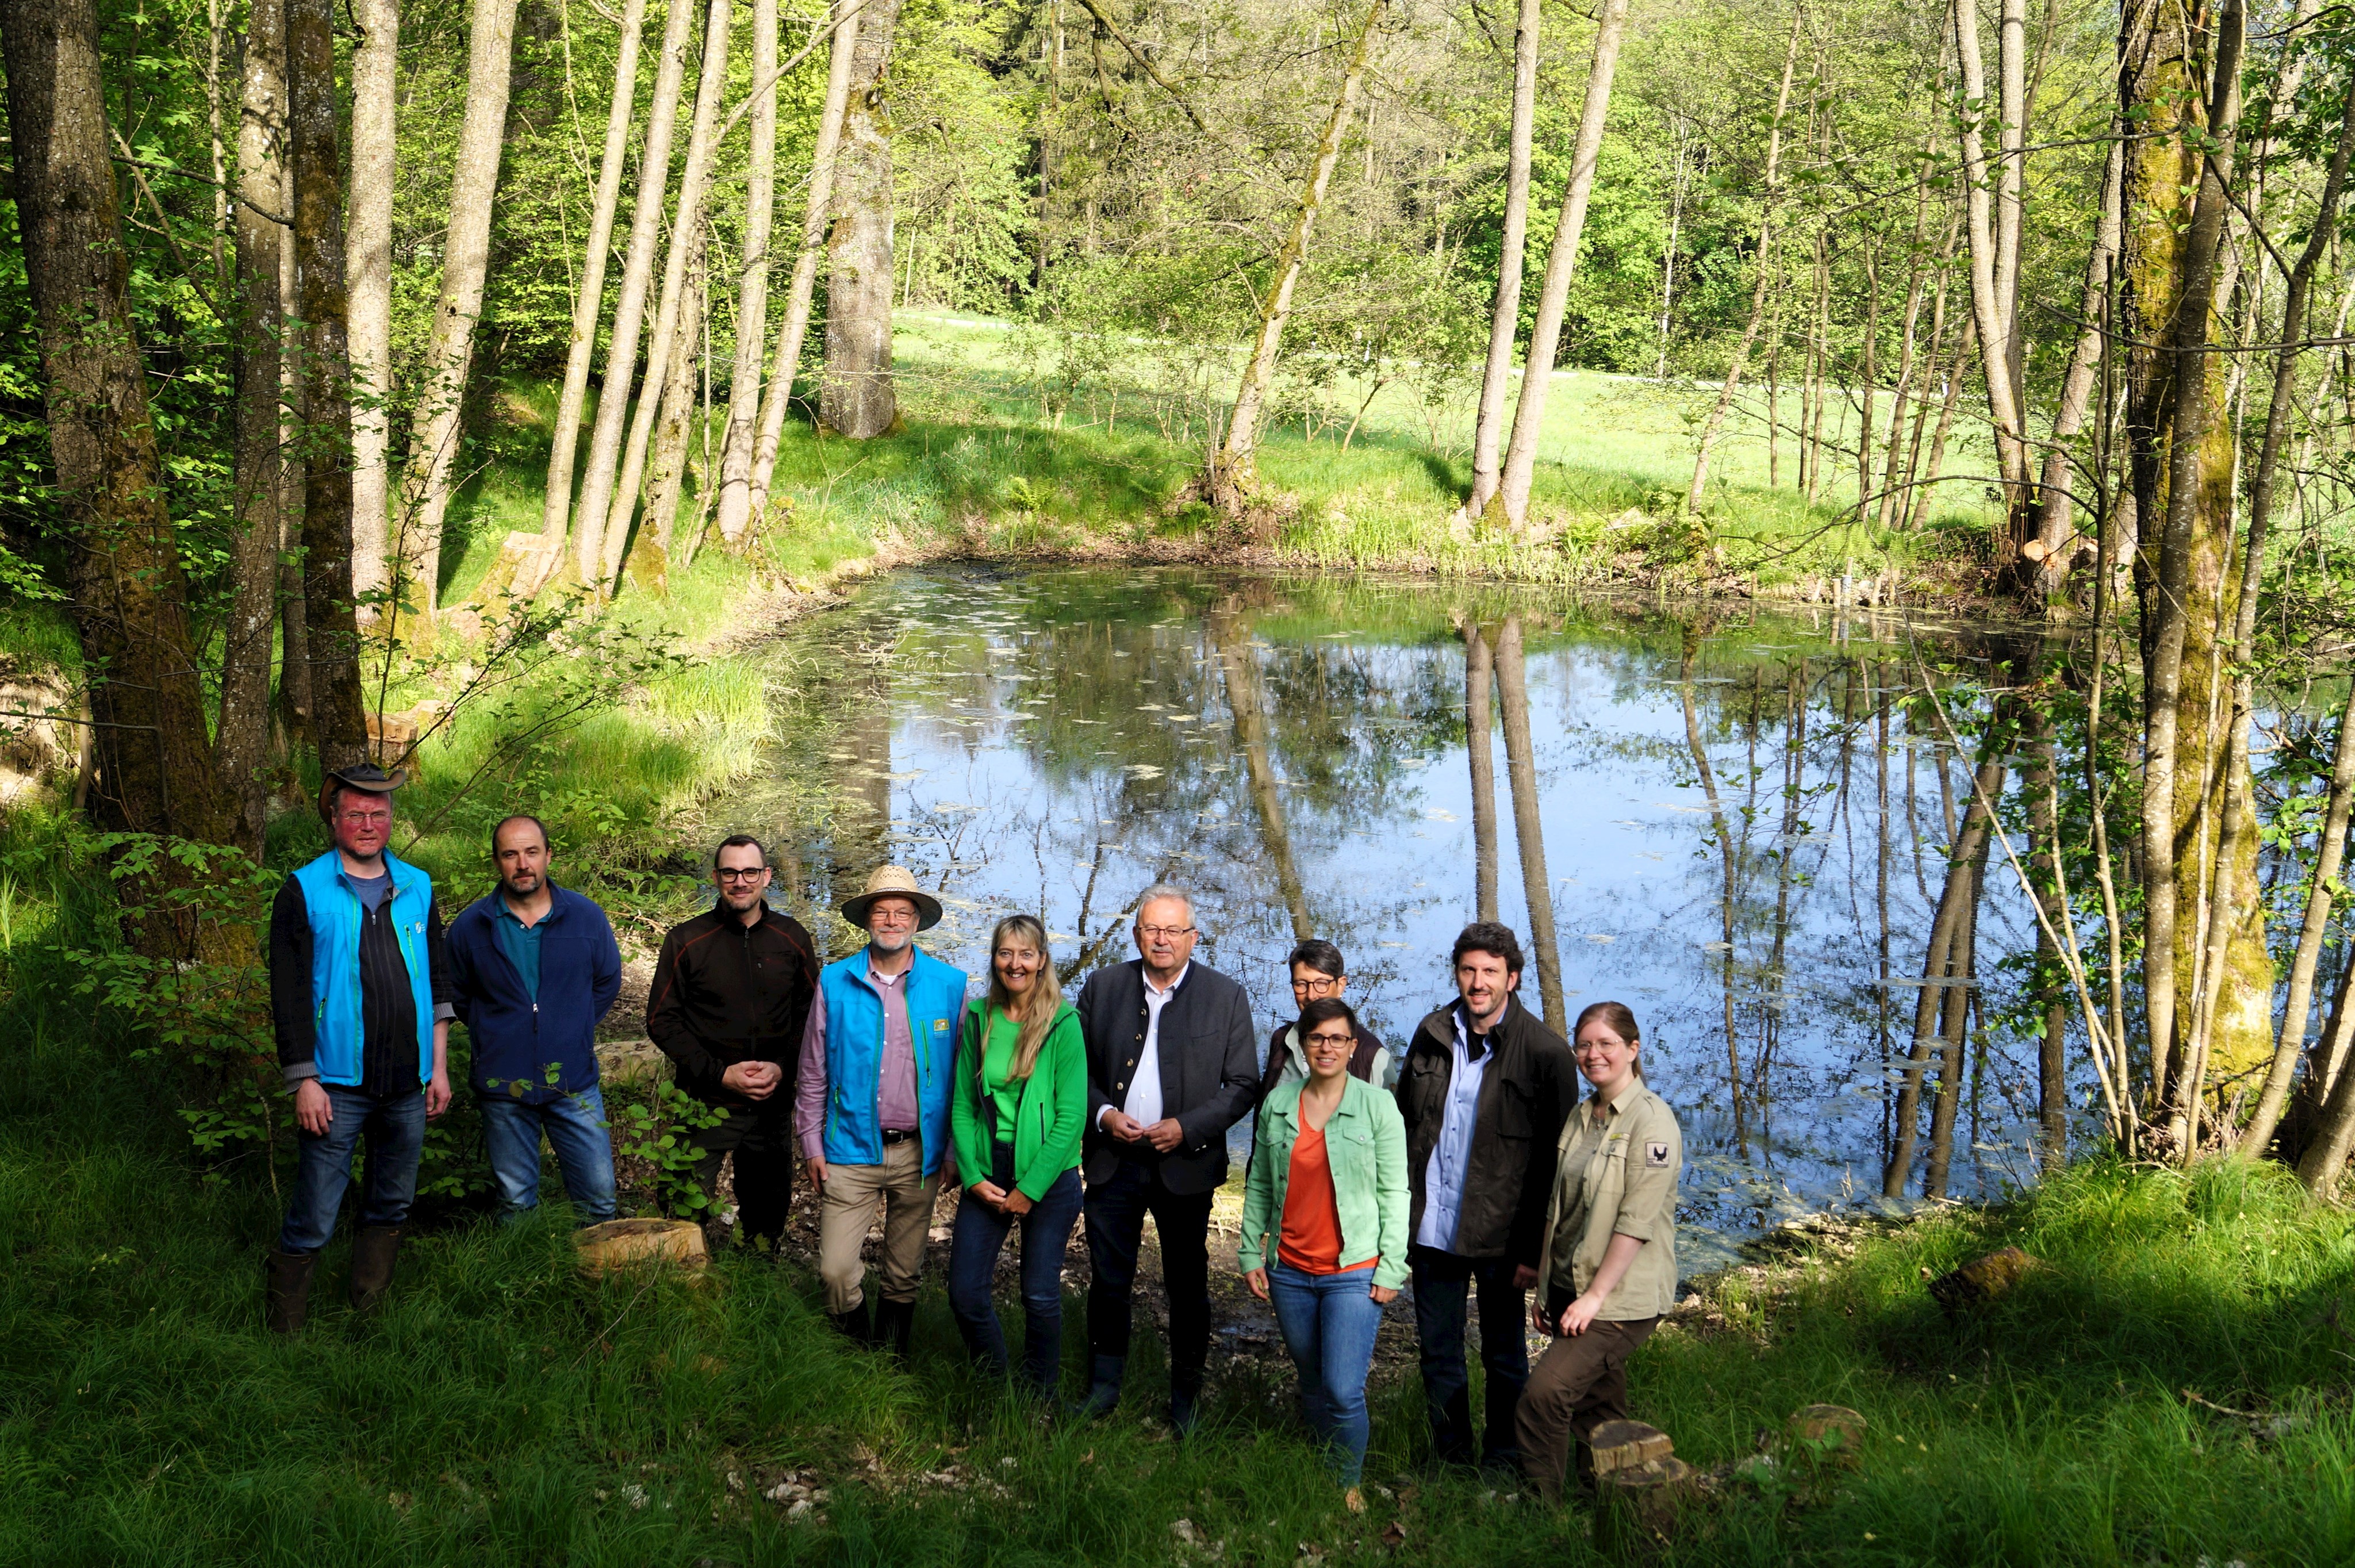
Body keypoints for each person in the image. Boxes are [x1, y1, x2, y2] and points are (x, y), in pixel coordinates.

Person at [264, 762, 455, 1333]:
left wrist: (438, 1070)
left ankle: (368, 1312)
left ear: (391, 819)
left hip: (408, 1084)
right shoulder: (305, 889)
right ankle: (285, 1329)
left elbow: (438, 986)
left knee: (392, 1203)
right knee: (316, 1211)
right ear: (334, 818)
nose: (368, 824)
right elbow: (289, 993)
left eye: (378, 813)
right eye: (355, 814)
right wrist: (304, 1079)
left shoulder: (417, 886)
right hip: (336, 1086)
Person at [1075, 884, 1259, 1433]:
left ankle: (1186, 1395)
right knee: (1109, 1278)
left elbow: (1244, 1083)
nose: (1162, 939)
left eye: (1173, 930)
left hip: (1187, 1165)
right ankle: (1104, 1387)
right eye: (1152, 929)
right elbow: (1070, 1071)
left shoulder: (1225, 996)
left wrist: (1186, 1127)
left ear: (1192, 938)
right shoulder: (1103, 986)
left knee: (1187, 1282)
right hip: (1114, 1159)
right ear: (1137, 935)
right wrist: (1105, 1114)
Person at [1394, 921, 1577, 1470]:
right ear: (1458, 973)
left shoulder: (1546, 1053)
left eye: (1491, 972)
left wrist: (1533, 1251)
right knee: (1438, 1355)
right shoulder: (1431, 1033)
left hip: (1503, 1241)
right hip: (1432, 1232)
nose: (1478, 982)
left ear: (1513, 979)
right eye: (1469, 970)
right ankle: (1450, 1459)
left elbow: (1555, 1164)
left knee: (1505, 1357)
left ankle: (1504, 1460)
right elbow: (1404, 1126)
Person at [1239, 997, 1409, 1509]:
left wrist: (1392, 1266)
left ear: (1353, 1046)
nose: (1327, 1047)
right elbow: (1262, 1186)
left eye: (1338, 1038)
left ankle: (1344, 1484)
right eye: (1317, 1038)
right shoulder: (1279, 1103)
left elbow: (1395, 1192)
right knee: (1311, 1377)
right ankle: (1318, 1463)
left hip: (1353, 1271)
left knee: (1341, 1386)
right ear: (1303, 1044)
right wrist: (1250, 1252)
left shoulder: (1377, 1106)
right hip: (1290, 1269)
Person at [796, 865, 971, 1355]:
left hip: (920, 1153)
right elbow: (812, 1071)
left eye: (902, 912)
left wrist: (956, 1150)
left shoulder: (951, 986)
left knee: (903, 1272)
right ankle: (856, 1353)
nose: (891, 920)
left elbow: (964, 1079)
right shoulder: (834, 982)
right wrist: (811, 1142)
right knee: (834, 1269)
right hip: (850, 1149)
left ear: (917, 922)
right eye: (882, 911)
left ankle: (887, 1363)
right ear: (867, 920)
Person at [1518, 1002, 1682, 1502]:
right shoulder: (1580, 1115)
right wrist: (1548, 1286)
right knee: (1597, 1403)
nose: (1594, 1054)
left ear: (1633, 1049)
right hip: (1573, 1284)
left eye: (1607, 1043)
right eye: (1585, 1045)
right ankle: (1611, 1496)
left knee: (1543, 1396)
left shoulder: (1652, 1123)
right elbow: (1558, 1209)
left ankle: (1540, 1509)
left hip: (1619, 1298)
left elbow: (1635, 1225)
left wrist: (1592, 1300)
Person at [446, 814, 624, 1225]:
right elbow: (459, 996)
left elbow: (606, 981)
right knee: (515, 1203)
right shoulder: (472, 927)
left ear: (548, 856)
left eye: (531, 852)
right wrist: (502, 1031)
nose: (522, 863)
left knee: (599, 1200)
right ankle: (528, 1282)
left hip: (574, 1082)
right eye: (510, 854)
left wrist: (570, 1025)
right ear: (497, 862)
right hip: (503, 1083)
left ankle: (597, 1283)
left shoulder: (585, 917)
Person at [646, 835, 821, 1250]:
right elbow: (661, 1019)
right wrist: (719, 1073)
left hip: (771, 1104)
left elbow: (813, 1018)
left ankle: (755, 1288)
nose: (740, 881)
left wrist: (783, 1067)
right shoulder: (686, 939)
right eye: (730, 872)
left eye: (750, 872)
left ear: (767, 877)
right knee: (681, 1210)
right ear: (716, 877)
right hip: (704, 1099)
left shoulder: (792, 938)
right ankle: (682, 1289)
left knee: (767, 1215)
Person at [946, 914, 1087, 1400]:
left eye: (1026, 953)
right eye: (1006, 952)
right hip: (989, 1170)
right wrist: (970, 1174)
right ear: (995, 958)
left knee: (1039, 1293)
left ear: (1042, 960)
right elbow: (963, 1105)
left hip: (1048, 1174)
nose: (1016, 963)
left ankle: (1040, 1394)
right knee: (965, 1293)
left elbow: (1072, 1117)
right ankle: (996, 1384)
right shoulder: (980, 1017)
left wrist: (1031, 1188)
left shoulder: (1063, 1024)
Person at [1259, 940, 1389, 1101]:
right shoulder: (1282, 1041)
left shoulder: (1372, 1055)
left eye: (1322, 984)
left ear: (1341, 985)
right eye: (1301, 984)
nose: (1311, 995)